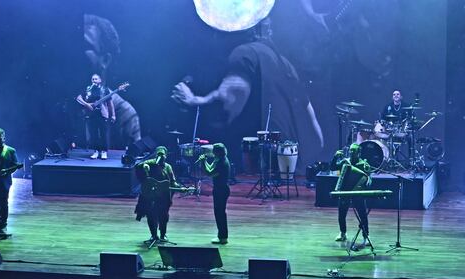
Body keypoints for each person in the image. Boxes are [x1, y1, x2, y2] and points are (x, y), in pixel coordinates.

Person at [171, 18, 323, 173]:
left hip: (256, 175)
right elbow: (316, 138)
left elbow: (225, 108)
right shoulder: (285, 65)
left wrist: (191, 100)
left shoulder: (245, 54)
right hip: (288, 175)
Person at [83, 14, 141, 144]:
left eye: (86, 46)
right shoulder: (68, 105)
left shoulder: (126, 115)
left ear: (105, 60)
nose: (78, 52)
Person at [134, 146, 176, 246]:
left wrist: (178, 187)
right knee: (150, 215)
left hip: (163, 196)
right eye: (159, 154)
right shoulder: (150, 163)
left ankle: (163, 235)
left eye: (163, 155)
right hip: (149, 195)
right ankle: (153, 235)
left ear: (166, 156)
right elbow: (138, 166)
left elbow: (173, 181)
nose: (161, 157)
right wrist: (144, 166)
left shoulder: (168, 167)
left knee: (163, 215)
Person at [334, 143, 372, 249]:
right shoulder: (345, 161)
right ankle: (343, 233)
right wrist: (335, 157)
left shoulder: (363, 164)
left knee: (363, 216)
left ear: (359, 152)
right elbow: (333, 167)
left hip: (357, 193)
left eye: (354, 151)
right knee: (341, 214)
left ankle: (366, 236)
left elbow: (368, 178)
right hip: (345, 191)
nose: (351, 152)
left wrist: (367, 182)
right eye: (350, 150)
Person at [76, 73, 115, 159]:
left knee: (103, 134)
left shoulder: (104, 90)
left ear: (100, 80)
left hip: (102, 114)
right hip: (91, 115)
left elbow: (110, 103)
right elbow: (78, 98)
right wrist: (87, 105)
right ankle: (96, 151)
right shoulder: (88, 89)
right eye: (93, 79)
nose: (94, 80)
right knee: (93, 134)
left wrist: (113, 115)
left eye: (96, 79)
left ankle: (104, 151)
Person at [199, 143, 231, 245]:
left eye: (214, 151)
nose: (212, 152)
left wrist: (203, 162)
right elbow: (210, 168)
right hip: (219, 189)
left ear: (217, 152)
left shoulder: (222, 163)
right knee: (218, 213)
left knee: (220, 214)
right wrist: (204, 162)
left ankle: (223, 237)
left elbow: (209, 173)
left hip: (221, 190)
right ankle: (221, 236)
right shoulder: (218, 159)